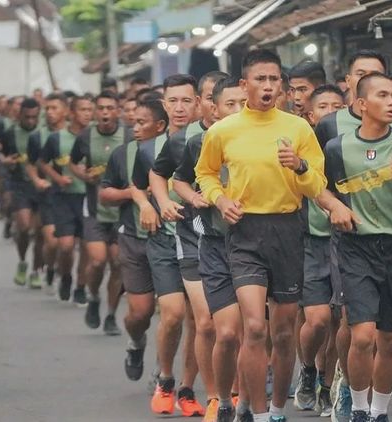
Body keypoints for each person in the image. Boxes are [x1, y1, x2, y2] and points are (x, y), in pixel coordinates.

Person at [196, 49, 326, 422]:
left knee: (283, 333)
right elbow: (204, 174)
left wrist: (299, 166)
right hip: (244, 232)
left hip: (287, 230)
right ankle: (251, 409)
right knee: (254, 327)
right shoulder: (223, 130)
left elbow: (317, 183)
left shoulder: (299, 129)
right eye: (260, 79)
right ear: (244, 84)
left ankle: (276, 410)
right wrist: (220, 199)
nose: (268, 86)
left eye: (274, 80)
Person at [321, 72, 392, 422]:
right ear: (361, 104)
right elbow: (319, 189)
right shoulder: (337, 147)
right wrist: (334, 206)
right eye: (383, 96)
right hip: (354, 247)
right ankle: (357, 408)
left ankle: (379, 412)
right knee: (363, 336)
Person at [148, 70, 228, 421]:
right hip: (187, 237)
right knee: (193, 318)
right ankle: (177, 383)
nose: (208, 104)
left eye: (213, 98)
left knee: (214, 324)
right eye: (208, 98)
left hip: (232, 238)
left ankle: (193, 387)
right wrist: (163, 201)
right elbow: (155, 174)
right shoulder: (183, 140)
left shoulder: (244, 134)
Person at [173, 75, 250, 422]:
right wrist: (196, 197)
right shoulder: (198, 143)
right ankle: (219, 397)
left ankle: (246, 401)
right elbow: (177, 179)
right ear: (213, 109)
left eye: (242, 103)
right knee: (224, 330)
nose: (237, 110)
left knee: (254, 330)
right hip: (214, 244)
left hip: (255, 244)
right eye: (229, 104)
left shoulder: (267, 140)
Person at [133, 74, 205, 417]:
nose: (179, 107)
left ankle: (188, 388)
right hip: (163, 240)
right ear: (164, 104)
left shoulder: (210, 138)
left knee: (199, 320)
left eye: (186, 100)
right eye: (172, 101)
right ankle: (165, 377)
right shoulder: (148, 147)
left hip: (200, 238)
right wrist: (148, 204)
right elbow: (138, 183)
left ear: (199, 102)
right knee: (174, 314)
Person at [99, 95, 167, 382]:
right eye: (134, 122)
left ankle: (163, 371)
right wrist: (133, 194)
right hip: (133, 239)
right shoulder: (121, 154)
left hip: (169, 239)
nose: (135, 128)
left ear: (160, 125)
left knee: (172, 314)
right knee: (141, 313)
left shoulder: (174, 150)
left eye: (142, 122)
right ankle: (136, 343)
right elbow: (105, 193)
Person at [69, 91, 126, 326]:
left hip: (122, 211)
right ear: (95, 111)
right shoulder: (84, 136)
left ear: (117, 111)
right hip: (94, 210)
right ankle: (93, 297)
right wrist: (84, 174)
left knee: (118, 264)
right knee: (97, 261)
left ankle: (111, 314)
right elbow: (73, 162)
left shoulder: (129, 136)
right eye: (100, 108)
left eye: (109, 108)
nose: (104, 113)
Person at [39, 94, 94, 302]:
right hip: (63, 198)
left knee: (88, 246)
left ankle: (80, 286)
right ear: (72, 113)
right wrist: (58, 178)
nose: (87, 114)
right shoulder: (56, 138)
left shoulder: (95, 137)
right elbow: (43, 162)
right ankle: (66, 277)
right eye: (82, 110)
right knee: (66, 245)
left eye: (90, 110)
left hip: (89, 197)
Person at [26, 93, 69, 290]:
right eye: (48, 109)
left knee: (67, 244)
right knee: (51, 241)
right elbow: (32, 164)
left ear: (66, 111)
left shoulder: (76, 135)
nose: (50, 113)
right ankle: (49, 268)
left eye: (55, 108)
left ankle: (65, 275)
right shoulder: (37, 137)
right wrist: (37, 180)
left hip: (73, 195)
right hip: (49, 194)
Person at [0, 99, 41, 287]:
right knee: (23, 228)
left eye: (34, 117)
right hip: (20, 184)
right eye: (27, 117)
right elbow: (1, 153)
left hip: (41, 187)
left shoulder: (44, 133)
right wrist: (5, 161)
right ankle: (23, 262)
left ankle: (36, 271)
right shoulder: (10, 133)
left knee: (40, 233)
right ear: (19, 115)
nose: (31, 121)